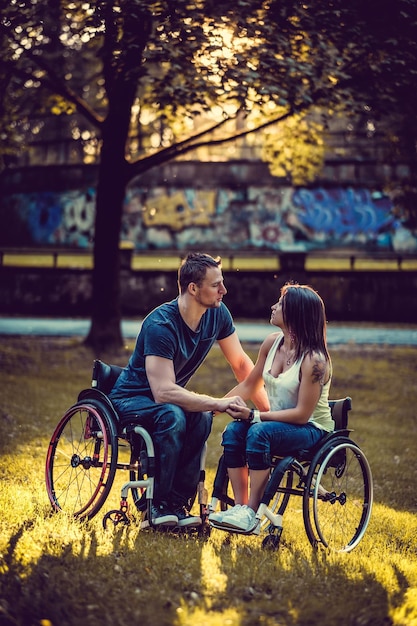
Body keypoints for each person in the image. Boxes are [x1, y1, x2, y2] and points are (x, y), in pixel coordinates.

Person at [109, 252, 268, 530]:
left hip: (166, 402)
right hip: (131, 400)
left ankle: (178, 506)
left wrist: (265, 414)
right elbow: (163, 392)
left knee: (202, 417)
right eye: (216, 284)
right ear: (193, 288)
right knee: (174, 415)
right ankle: (156, 505)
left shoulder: (217, 314)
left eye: (222, 282)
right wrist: (216, 402)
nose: (224, 290)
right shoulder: (161, 325)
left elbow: (242, 363)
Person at [209, 282, 333, 535]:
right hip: (276, 424)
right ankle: (241, 508)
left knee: (258, 432)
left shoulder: (314, 361)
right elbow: (250, 385)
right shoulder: (272, 343)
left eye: (281, 304)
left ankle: (252, 514)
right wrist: (215, 407)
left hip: (310, 429)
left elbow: (302, 415)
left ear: (295, 314)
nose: (273, 306)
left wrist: (255, 415)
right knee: (234, 432)